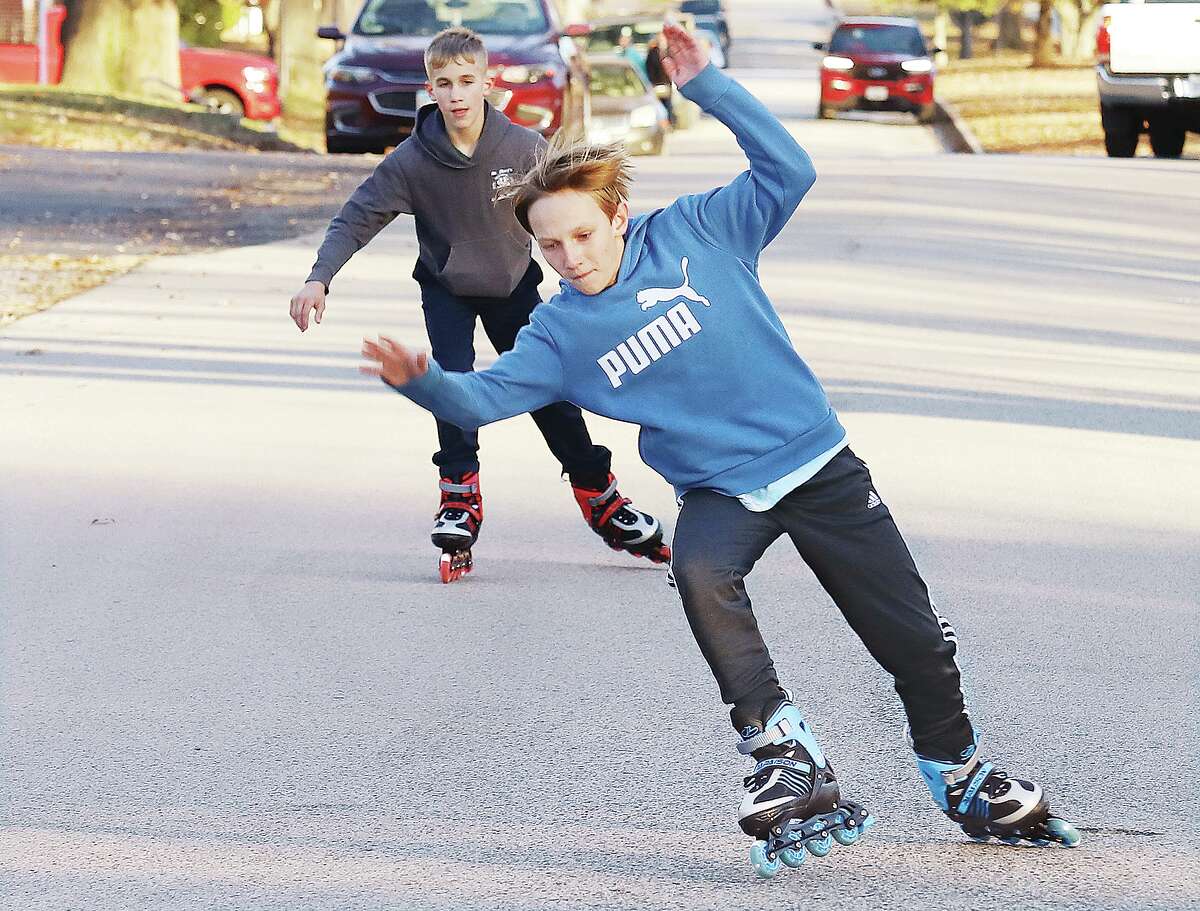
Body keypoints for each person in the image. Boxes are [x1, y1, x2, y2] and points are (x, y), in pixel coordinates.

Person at [359, 22, 1080, 870]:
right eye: (548, 245)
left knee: (914, 639)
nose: (568, 256)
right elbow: (480, 399)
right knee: (699, 568)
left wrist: (710, 86)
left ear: (616, 214)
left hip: (818, 464)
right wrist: (424, 383)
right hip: (720, 493)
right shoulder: (558, 331)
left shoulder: (700, 229)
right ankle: (783, 748)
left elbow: (791, 170)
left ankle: (959, 769)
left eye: (582, 235)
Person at [289, 27, 668, 582]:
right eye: (444, 83)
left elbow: (575, 205)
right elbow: (357, 217)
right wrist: (318, 278)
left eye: (467, 81)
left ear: (487, 83)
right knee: (449, 381)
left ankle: (599, 494)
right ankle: (459, 496)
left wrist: (618, 268)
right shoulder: (411, 163)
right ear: (431, 89)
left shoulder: (523, 148)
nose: (457, 93)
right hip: (446, 287)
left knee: (546, 387)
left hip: (513, 284)